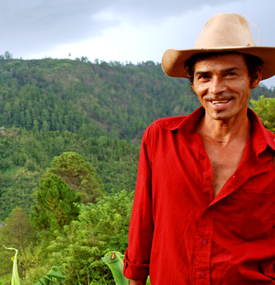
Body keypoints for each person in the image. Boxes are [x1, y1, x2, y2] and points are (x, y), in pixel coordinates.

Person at [123, 13, 275, 284]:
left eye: (230, 74)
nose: (216, 89)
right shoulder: (160, 139)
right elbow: (143, 223)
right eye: (204, 77)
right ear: (193, 84)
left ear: (254, 78)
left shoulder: (271, 156)